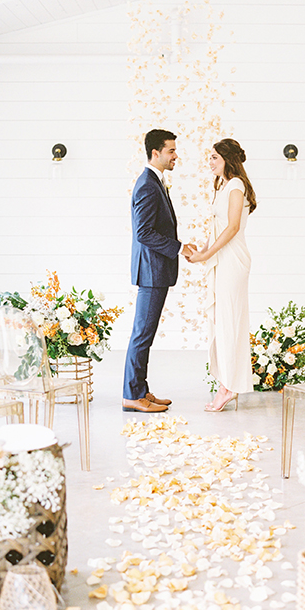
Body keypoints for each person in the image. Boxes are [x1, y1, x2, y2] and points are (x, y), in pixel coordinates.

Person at [122, 129, 195, 413]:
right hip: (151, 271)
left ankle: (140, 389)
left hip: (156, 270)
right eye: (171, 151)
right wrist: (179, 248)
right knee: (142, 333)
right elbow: (143, 233)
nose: (176, 156)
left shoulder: (155, 182)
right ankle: (132, 395)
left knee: (146, 333)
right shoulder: (147, 184)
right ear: (156, 153)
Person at [188, 138, 257, 411]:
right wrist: (201, 251)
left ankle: (228, 387)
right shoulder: (223, 186)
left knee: (229, 322)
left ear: (227, 159)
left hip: (233, 261)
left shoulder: (237, 186)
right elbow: (216, 228)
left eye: (214, 157)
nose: (210, 162)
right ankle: (227, 383)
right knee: (221, 321)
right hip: (221, 258)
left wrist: (207, 255)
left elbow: (232, 228)